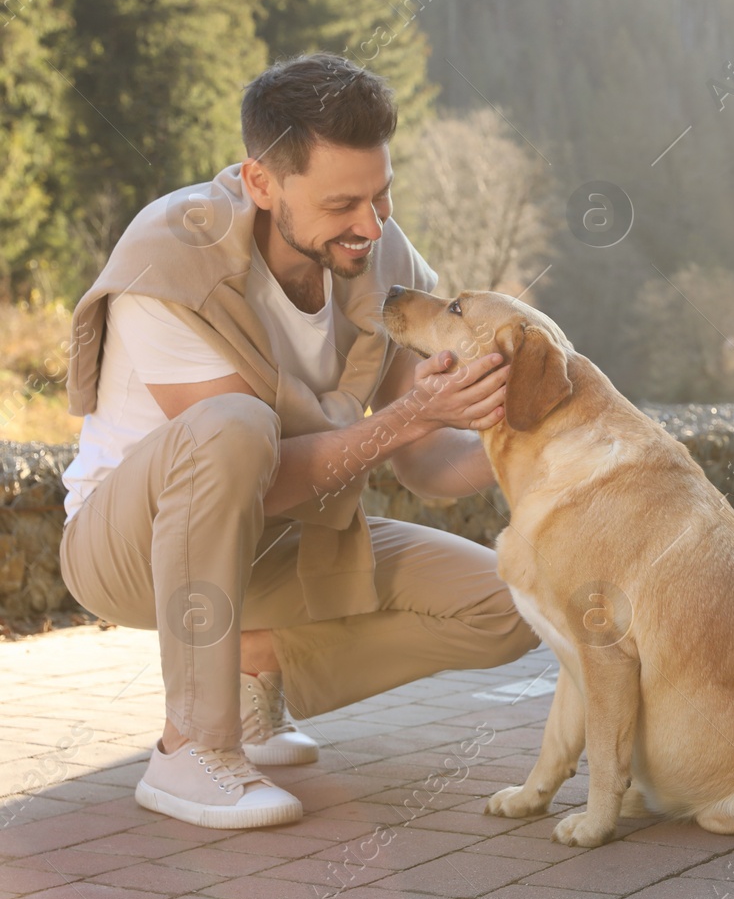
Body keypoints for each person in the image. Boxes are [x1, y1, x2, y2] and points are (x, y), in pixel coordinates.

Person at [58, 54, 540, 829]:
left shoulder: (377, 254)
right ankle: (191, 746)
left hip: (280, 547)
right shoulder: (171, 261)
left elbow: (424, 463)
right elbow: (255, 473)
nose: (370, 224)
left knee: (514, 605)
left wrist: (529, 436)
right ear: (260, 183)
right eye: (343, 202)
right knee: (236, 425)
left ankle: (251, 665)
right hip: (128, 552)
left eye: (382, 195)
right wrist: (413, 415)